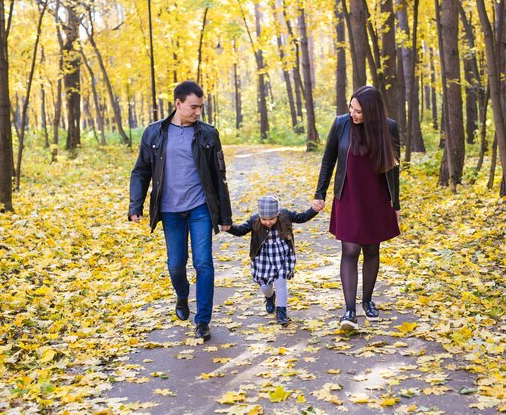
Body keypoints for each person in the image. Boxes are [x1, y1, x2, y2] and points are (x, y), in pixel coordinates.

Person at [128, 80, 232, 342]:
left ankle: (203, 321)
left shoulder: (208, 134)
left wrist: (225, 217)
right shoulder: (154, 133)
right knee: (176, 265)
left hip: (200, 209)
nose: (198, 112)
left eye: (200, 107)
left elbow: (220, 177)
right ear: (178, 104)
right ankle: (183, 295)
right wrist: (135, 205)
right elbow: (141, 171)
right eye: (193, 107)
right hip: (170, 211)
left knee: (204, 263)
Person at [313, 85, 401, 331]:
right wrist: (319, 193)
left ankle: (368, 301)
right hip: (349, 196)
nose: (353, 114)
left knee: (372, 249)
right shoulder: (341, 124)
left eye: (358, 111)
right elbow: (329, 159)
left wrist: (397, 203)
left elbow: (394, 168)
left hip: (376, 197)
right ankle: (349, 310)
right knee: (350, 250)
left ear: (371, 111)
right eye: (351, 108)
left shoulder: (389, 128)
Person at [226, 196, 320, 326]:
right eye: (264, 219)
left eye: (271, 219)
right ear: (259, 216)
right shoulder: (254, 220)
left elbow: (302, 217)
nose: (268, 222)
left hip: (281, 256)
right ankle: (270, 297)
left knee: (281, 283)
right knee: (265, 287)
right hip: (263, 258)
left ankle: (281, 312)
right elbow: (241, 230)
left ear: (277, 214)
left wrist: (313, 210)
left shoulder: (285, 215)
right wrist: (229, 228)